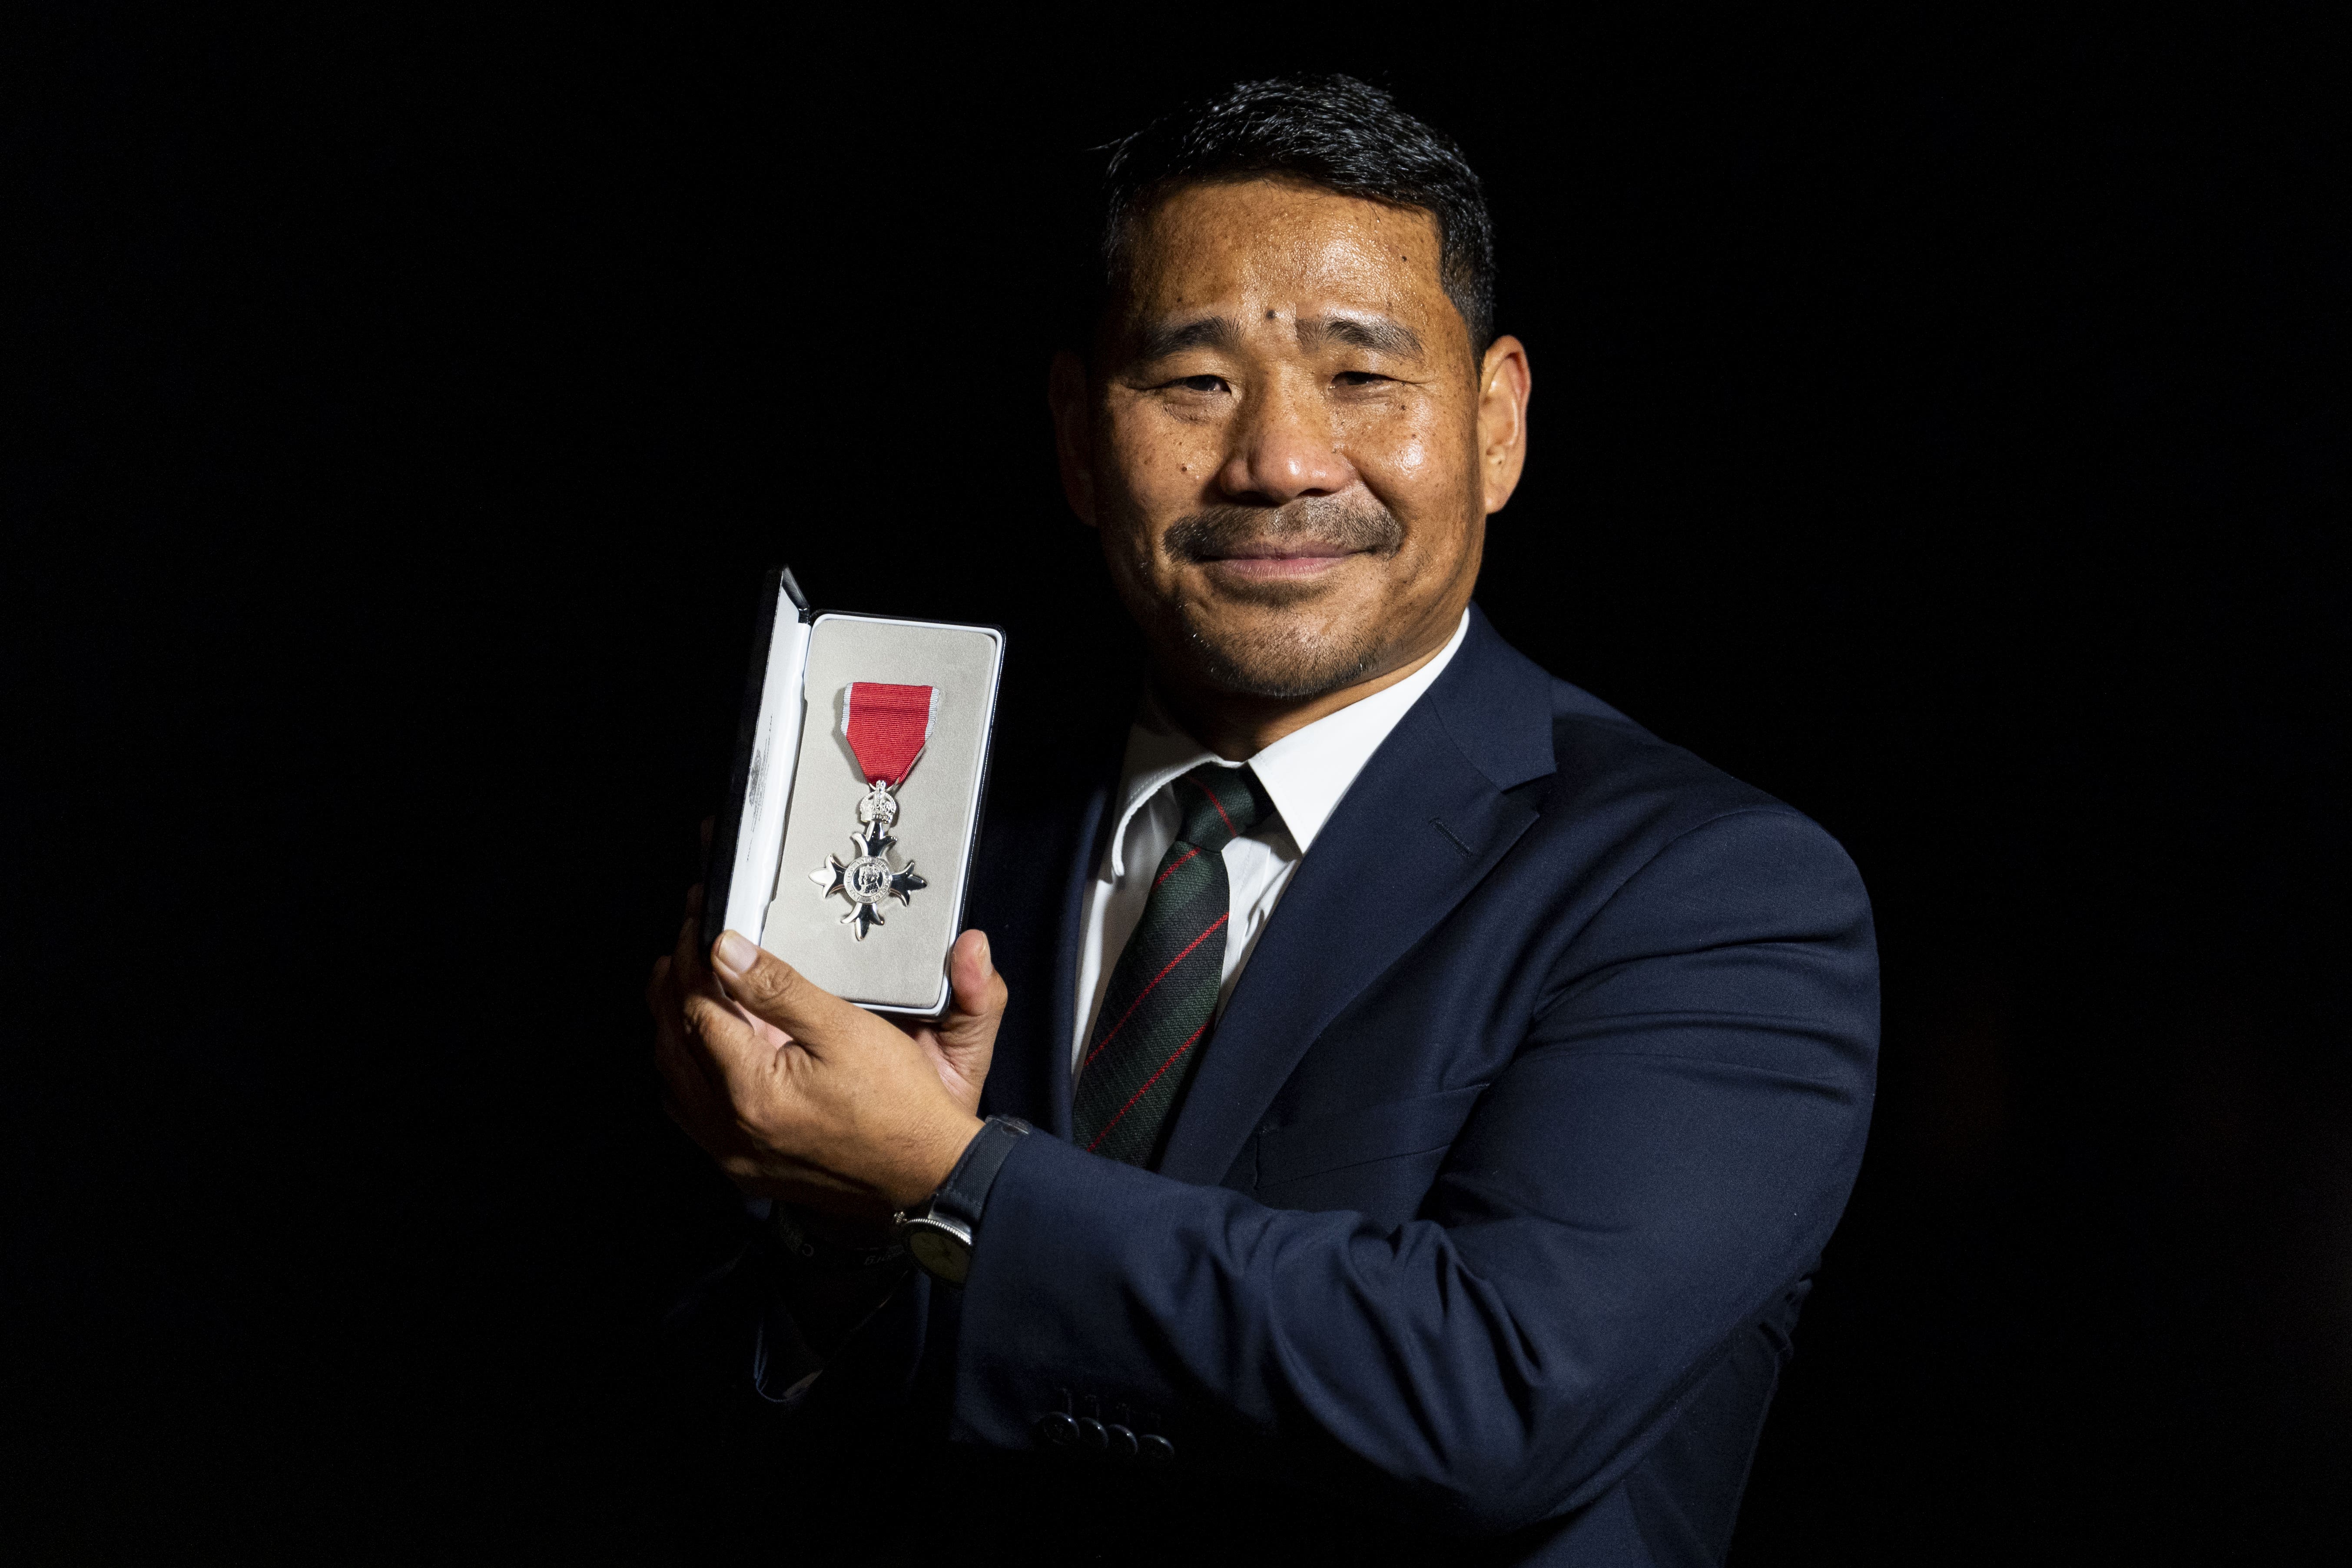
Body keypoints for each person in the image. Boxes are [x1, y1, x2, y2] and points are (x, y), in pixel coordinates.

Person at [650, 74, 1877, 1567]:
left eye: (1364, 378)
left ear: (1497, 424)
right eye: (1196, 384)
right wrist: (839, 1235)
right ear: (1077, 438)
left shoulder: (1713, 892)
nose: (1281, 461)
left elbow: (1495, 1392)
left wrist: (951, 1180)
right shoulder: (921, 840)